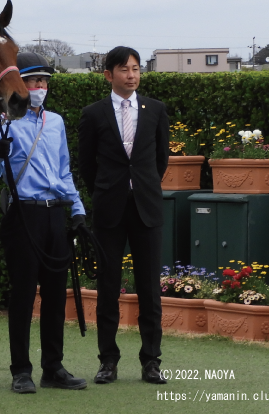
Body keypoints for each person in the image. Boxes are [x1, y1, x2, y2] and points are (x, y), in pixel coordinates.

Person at [0, 52, 88, 394]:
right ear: (20, 84)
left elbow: (64, 170)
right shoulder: (3, 122)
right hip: (23, 213)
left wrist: (78, 210)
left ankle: (53, 368)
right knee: (23, 295)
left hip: (55, 212)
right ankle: (21, 371)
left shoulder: (55, 122)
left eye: (44, 81)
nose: (40, 86)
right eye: (33, 81)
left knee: (56, 295)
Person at [78, 46, 169, 385]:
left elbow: (161, 159)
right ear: (108, 75)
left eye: (136, 69)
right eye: (124, 69)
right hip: (109, 210)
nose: (131, 75)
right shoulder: (93, 114)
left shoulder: (156, 109)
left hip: (146, 208)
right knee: (107, 288)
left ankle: (151, 361)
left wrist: (142, 186)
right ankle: (108, 361)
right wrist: (106, 191)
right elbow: (86, 164)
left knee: (150, 289)